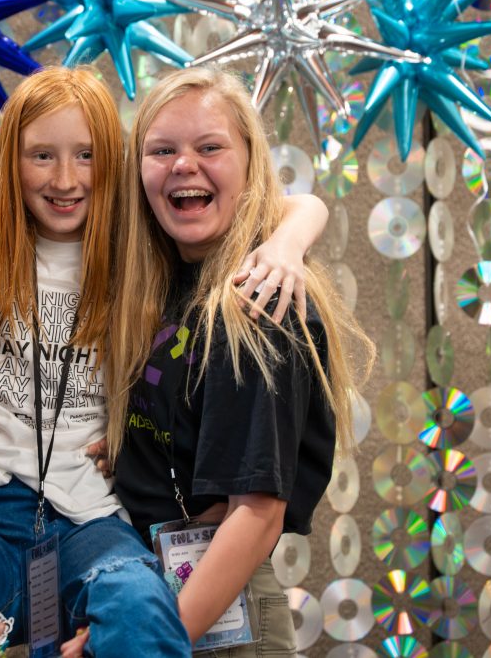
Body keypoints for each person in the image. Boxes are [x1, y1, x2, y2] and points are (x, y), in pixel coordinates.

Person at [0, 66, 330, 656]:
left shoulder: (139, 250)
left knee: (138, 610)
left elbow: (285, 203)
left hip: (94, 518)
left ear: (112, 162)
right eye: (42, 155)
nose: (65, 179)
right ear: (11, 161)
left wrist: (288, 241)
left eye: (86, 155)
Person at [95, 67, 374, 656]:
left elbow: (256, 516)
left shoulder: (261, 302)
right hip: (151, 589)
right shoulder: (171, 276)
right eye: (162, 150)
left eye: (209, 147)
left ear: (250, 163)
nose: (183, 164)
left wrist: (150, 641)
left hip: (212, 610)